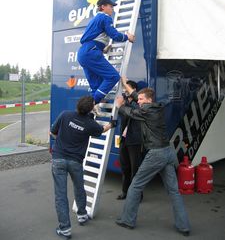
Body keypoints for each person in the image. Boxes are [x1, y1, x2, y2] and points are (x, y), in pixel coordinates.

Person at [115, 88, 191, 236]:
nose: (139, 102)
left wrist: (120, 105)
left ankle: (127, 220)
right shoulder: (158, 107)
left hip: (156, 154)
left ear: (149, 100)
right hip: (168, 152)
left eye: (141, 100)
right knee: (174, 191)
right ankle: (184, 226)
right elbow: (140, 97)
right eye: (139, 100)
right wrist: (128, 86)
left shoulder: (146, 111)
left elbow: (130, 112)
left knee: (135, 186)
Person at [50, 95, 115, 239]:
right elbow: (101, 130)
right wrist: (112, 124)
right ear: (91, 108)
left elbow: (53, 132)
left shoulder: (65, 115)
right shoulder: (90, 124)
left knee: (60, 195)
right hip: (76, 161)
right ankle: (82, 215)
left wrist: (62, 141)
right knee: (79, 187)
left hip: (58, 159)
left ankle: (65, 229)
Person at [77, 0, 135, 107]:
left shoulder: (94, 20)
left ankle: (92, 106)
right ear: (103, 7)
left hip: (83, 53)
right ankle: (92, 104)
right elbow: (115, 35)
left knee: (96, 85)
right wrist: (128, 37)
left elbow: (92, 37)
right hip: (91, 51)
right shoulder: (105, 17)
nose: (112, 9)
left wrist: (101, 48)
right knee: (113, 77)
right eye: (110, 6)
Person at [117, 77, 143, 200]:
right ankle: (125, 191)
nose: (125, 92)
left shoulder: (139, 104)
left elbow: (132, 112)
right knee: (125, 167)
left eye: (127, 90)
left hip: (135, 141)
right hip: (124, 140)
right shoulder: (126, 102)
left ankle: (137, 195)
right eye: (124, 89)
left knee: (135, 169)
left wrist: (122, 104)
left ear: (134, 91)